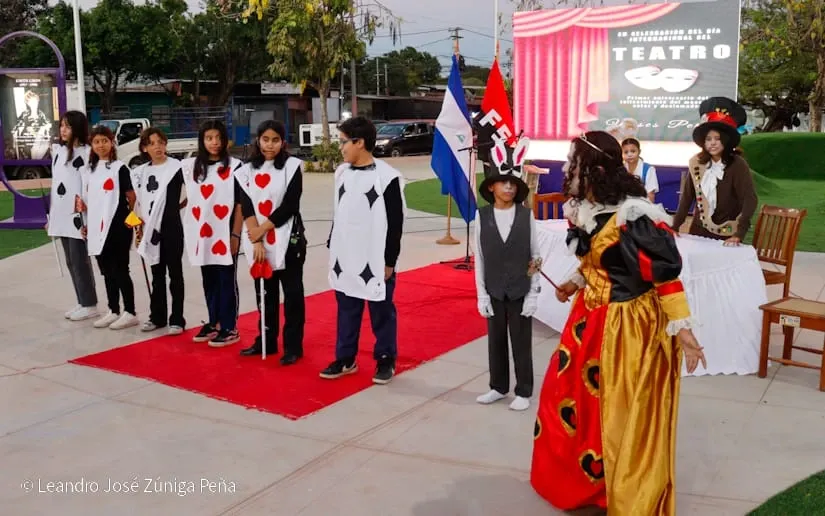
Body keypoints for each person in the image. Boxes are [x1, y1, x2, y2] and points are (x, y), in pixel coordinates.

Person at [530, 131, 707, 515]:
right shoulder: (588, 210)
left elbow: (664, 276)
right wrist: (575, 281)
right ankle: (586, 484)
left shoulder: (634, 217)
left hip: (626, 326)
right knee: (574, 402)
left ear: (593, 170)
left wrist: (684, 331)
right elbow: (600, 261)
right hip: (588, 323)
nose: (567, 168)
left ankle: (622, 490)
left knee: (621, 410)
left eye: (573, 162)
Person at [320, 116, 406, 385]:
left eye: (344, 142)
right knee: (347, 309)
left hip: (375, 257)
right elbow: (340, 211)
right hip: (346, 255)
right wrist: (334, 243)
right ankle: (345, 358)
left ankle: (385, 358)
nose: (341, 148)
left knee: (381, 310)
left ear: (359, 142)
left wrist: (389, 260)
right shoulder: (341, 173)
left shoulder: (387, 177)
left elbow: (395, 222)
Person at [473, 136, 541, 412]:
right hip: (494, 290)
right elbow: (480, 257)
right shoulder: (482, 216)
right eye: (504, 183)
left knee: (521, 343)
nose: (509, 187)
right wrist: (481, 295)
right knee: (496, 341)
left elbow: (535, 256)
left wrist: (533, 292)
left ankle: (523, 390)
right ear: (492, 186)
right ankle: (498, 386)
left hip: (520, 289)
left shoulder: (526, 216)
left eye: (513, 183)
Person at [237, 120, 307, 365]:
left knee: (292, 295)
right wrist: (256, 239)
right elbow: (246, 205)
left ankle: (293, 346)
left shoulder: (292, 167)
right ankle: (265, 341)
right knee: (265, 294)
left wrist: (262, 230)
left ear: (283, 142)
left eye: (275, 140)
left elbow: (290, 205)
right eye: (265, 139)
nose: (270, 145)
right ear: (258, 141)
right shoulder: (246, 171)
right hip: (258, 242)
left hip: (288, 241)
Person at [181, 120, 245, 347]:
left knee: (226, 279)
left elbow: (240, 204)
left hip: (225, 232)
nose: (214, 142)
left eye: (218, 138)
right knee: (208, 279)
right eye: (209, 138)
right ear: (202, 141)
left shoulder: (235, 167)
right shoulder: (191, 167)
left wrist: (235, 235)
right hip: (202, 234)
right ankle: (214, 321)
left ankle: (229, 326)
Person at [670, 97, 758, 245]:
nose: (713, 143)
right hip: (698, 230)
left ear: (726, 140)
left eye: (717, 138)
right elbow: (687, 197)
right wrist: (675, 226)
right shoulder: (697, 163)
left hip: (728, 233)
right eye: (708, 139)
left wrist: (739, 233)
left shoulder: (737, 164)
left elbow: (750, 199)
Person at [75, 126, 138, 330]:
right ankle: (113, 309)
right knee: (107, 270)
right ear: (91, 145)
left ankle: (130, 311)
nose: (101, 145)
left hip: (118, 225)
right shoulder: (88, 171)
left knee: (121, 269)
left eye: (105, 141)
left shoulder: (120, 168)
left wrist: (131, 222)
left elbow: (132, 196)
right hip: (96, 228)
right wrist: (86, 223)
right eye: (96, 142)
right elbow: (88, 200)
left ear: (112, 143)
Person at [131, 127, 187, 335]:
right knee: (157, 275)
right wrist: (137, 228)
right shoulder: (140, 172)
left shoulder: (177, 168)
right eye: (152, 143)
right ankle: (157, 316)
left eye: (161, 142)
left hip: (172, 227)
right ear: (144, 148)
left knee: (175, 274)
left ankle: (177, 319)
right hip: (150, 229)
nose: (157, 147)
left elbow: (191, 192)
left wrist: (177, 207)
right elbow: (136, 202)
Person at [47, 110, 99, 321]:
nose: (63, 130)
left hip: (78, 216)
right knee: (70, 260)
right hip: (61, 214)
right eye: (62, 126)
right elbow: (56, 186)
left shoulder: (87, 153)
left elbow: (89, 184)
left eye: (68, 126)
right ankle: (81, 300)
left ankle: (90, 303)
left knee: (79, 260)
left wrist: (87, 212)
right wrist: (52, 215)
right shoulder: (58, 152)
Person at [621, 138, 658, 202]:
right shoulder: (621, 169)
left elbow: (650, 195)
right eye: (626, 152)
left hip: (643, 204)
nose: (629, 155)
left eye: (633, 151)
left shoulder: (649, 169)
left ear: (639, 151)